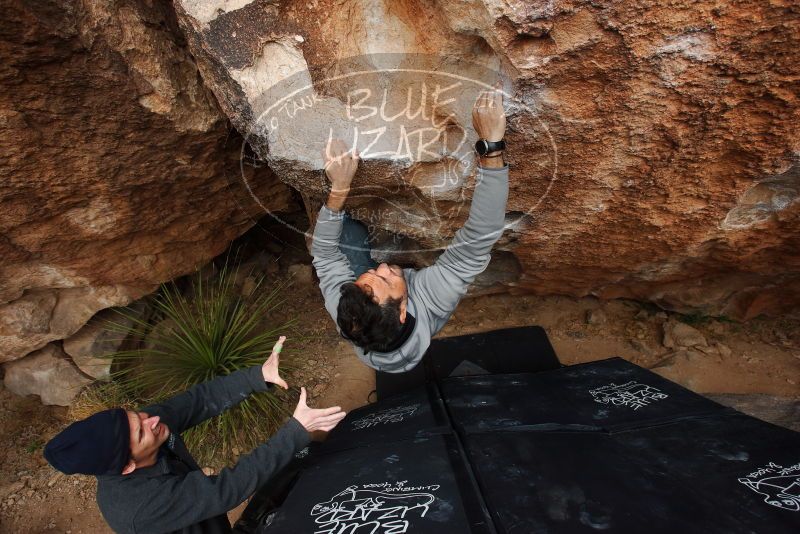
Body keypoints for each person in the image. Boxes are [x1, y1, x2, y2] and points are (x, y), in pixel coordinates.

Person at [42, 338, 346, 534]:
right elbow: (228, 488)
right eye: (140, 430)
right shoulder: (139, 507)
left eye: (137, 415)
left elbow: (197, 400)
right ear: (127, 467)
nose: (153, 420)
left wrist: (257, 376)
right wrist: (296, 431)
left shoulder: (147, 425)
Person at [311, 83, 509, 373]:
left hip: (382, 316)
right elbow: (479, 237)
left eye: (367, 277)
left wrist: (340, 188)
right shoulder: (434, 298)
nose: (384, 266)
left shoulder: (346, 311)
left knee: (347, 230)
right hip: (424, 304)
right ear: (403, 311)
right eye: (387, 280)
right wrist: (491, 147)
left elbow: (326, 257)